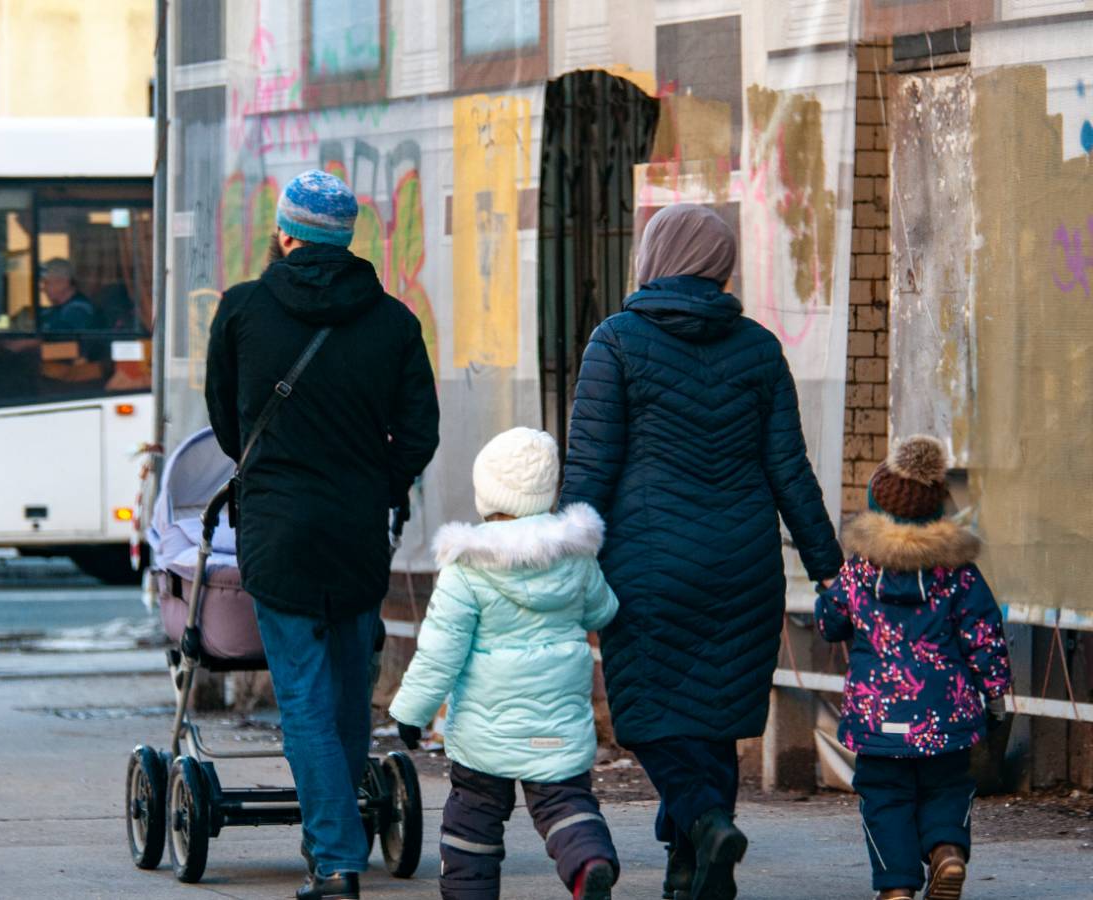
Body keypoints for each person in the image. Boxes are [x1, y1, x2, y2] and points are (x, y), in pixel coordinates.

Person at [558, 203, 844, 900]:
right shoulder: (758, 347)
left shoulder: (617, 341)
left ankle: (707, 823)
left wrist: (565, 558)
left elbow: (591, 466)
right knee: (713, 713)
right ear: (719, 264)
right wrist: (830, 569)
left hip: (649, 567)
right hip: (746, 564)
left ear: (653, 256)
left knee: (650, 717)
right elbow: (790, 470)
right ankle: (692, 866)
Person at [205, 169, 440, 900]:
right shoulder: (394, 320)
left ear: (285, 232)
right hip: (359, 526)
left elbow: (225, 421)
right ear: (347, 239)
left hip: (278, 527)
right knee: (345, 686)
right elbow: (421, 433)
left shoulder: (243, 309)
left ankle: (335, 857)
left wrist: (269, 467)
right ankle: (344, 839)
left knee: (303, 692)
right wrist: (379, 479)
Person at [389, 427, 621, 900]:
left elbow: (440, 651)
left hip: (484, 730)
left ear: (487, 493)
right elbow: (603, 610)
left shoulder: (468, 565)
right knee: (565, 803)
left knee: (472, 817)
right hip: (557, 719)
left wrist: (411, 713)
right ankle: (588, 864)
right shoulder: (574, 554)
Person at [815, 435, 1011, 900]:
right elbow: (985, 635)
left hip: (877, 714)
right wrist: (997, 692)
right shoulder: (959, 572)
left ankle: (896, 889)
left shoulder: (860, 570)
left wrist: (834, 597)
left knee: (884, 796)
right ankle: (947, 853)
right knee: (947, 786)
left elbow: (828, 622)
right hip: (946, 712)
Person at [38, 258, 99, 331]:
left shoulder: (79, 311)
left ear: (64, 283)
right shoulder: (52, 311)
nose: (43, 289)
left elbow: (59, 339)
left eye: (46, 283)